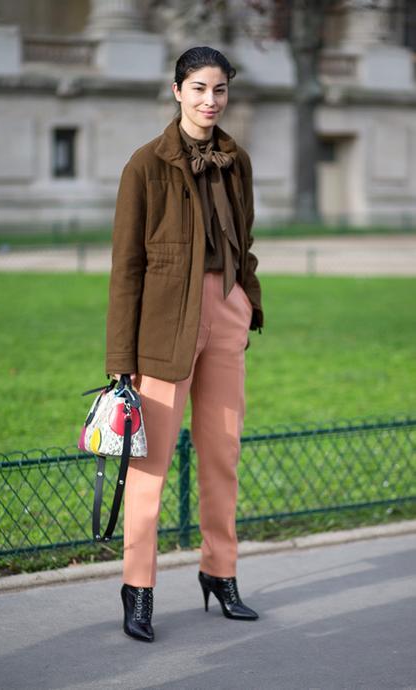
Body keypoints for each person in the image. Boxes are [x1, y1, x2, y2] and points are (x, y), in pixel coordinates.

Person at [106, 46, 264, 643]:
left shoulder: (236, 160)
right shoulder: (145, 166)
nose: (209, 100)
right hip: (165, 328)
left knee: (223, 455)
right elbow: (126, 270)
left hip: (226, 312)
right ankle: (138, 589)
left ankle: (220, 573)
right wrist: (121, 362)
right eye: (198, 88)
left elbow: (244, 239)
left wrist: (245, 299)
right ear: (177, 91)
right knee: (150, 466)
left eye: (219, 90)